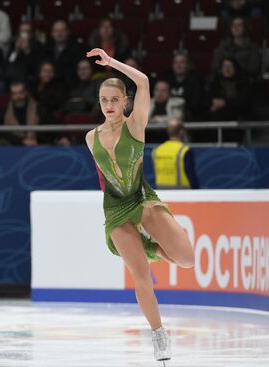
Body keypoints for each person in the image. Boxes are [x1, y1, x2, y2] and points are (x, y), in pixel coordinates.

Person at [85, 48, 195, 364]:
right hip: (116, 210)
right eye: (104, 100)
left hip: (142, 199)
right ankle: (159, 334)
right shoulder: (91, 138)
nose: (109, 105)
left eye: (115, 100)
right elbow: (104, 180)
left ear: (125, 103)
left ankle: (150, 245)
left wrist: (112, 63)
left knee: (186, 259)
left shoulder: (135, 126)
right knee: (141, 275)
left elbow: (144, 81)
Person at [152, 118, 200, 189]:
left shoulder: (157, 150)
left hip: (162, 195)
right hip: (183, 195)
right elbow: (191, 176)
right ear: (181, 132)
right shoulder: (184, 150)